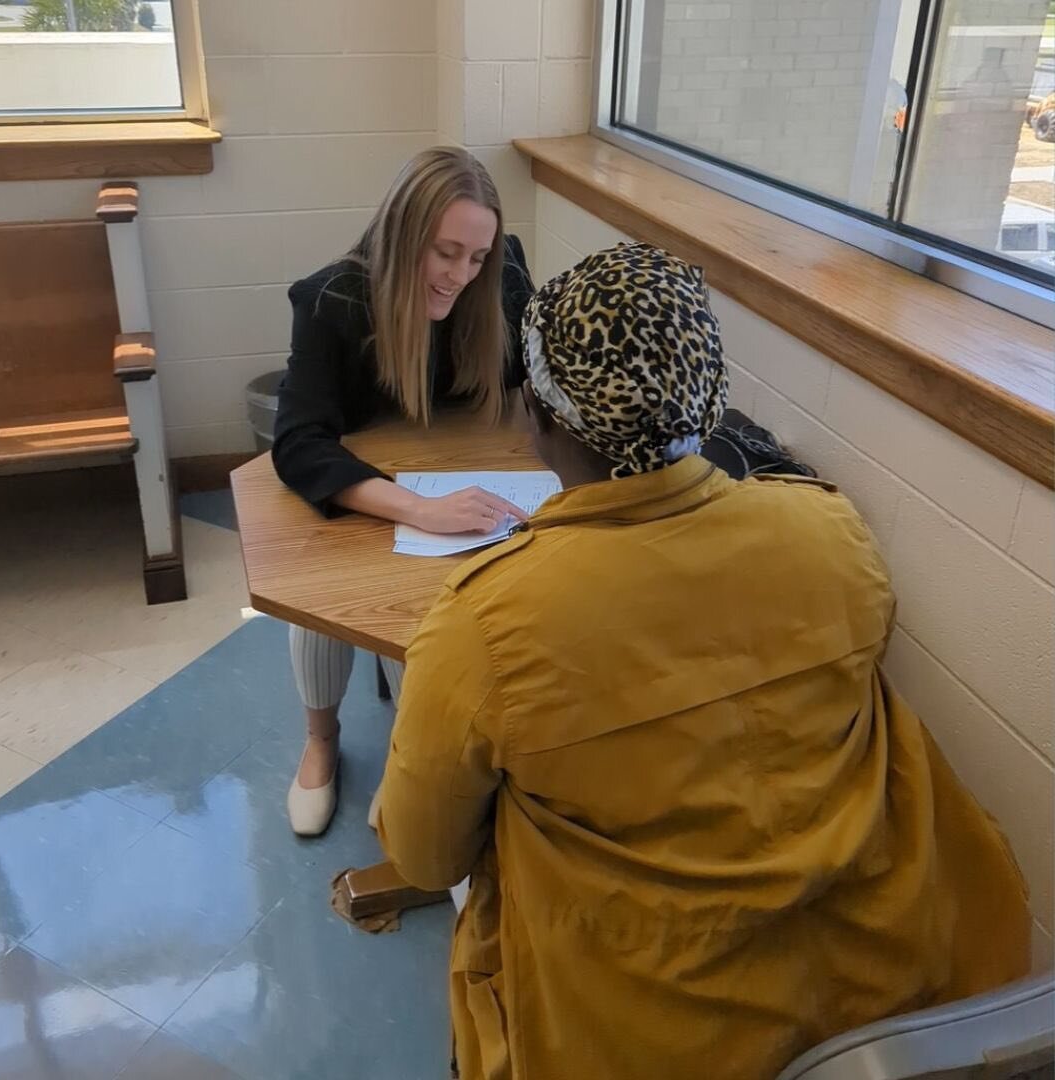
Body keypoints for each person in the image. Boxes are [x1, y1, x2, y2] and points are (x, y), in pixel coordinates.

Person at [376, 242, 1031, 1080]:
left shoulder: (484, 623)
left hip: (639, 1037)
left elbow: (425, 859)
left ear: (538, 413)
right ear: (708, 402)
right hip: (889, 995)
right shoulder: (829, 531)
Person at [272, 147, 534, 837]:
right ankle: (323, 738)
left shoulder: (497, 279)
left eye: (477, 257)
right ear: (401, 234)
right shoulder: (332, 301)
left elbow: (528, 378)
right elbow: (298, 444)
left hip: (469, 471)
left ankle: (428, 757)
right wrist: (418, 507)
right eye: (445, 253)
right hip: (376, 487)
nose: (461, 275)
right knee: (323, 601)